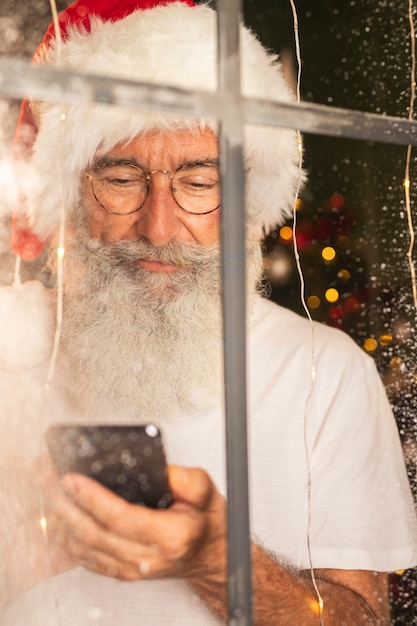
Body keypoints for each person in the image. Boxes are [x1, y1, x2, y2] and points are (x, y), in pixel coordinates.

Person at [0, 1, 416, 624]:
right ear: (69, 189)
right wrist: (27, 540)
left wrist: (217, 561)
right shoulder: (7, 346)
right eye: (120, 178)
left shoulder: (326, 375)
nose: (159, 228)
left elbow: (363, 618)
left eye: (199, 184)